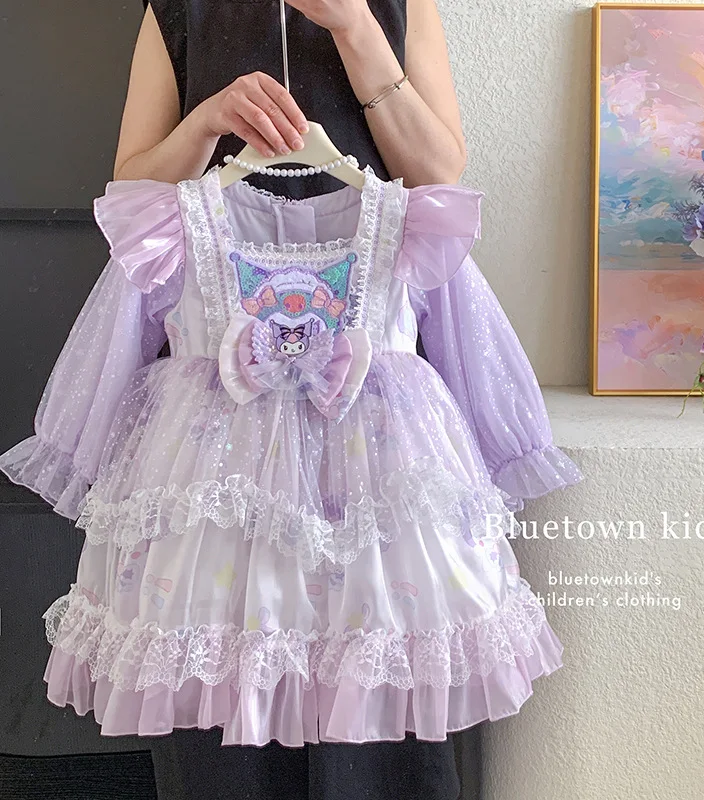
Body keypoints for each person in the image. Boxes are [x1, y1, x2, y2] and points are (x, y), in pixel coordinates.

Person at [115, 1, 470, 798]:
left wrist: (355, 28)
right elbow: (130, 194)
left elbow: (441, 177)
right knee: (221, 675)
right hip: (217, 417)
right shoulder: (178, 6)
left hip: (372, 424)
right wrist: (206, 121)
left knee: (374, 673)